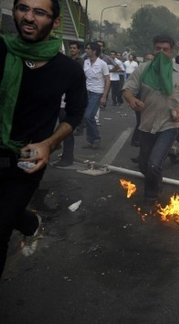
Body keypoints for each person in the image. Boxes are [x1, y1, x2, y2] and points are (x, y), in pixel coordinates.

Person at [0, 0, 87, 276]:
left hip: (29, 154)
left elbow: (74, 114)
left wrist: (48, 144)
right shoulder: (2, 49)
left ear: (55, 22)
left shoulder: (68, 70)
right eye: (23, 8)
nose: (28, 17)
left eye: (39, 12)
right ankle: (28, 223)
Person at [122, 35, 179, 202]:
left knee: (154, 163)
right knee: (144, 165)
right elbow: (127, 89)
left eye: (165, 49)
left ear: (171, 52)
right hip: (146, 124)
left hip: (169, 125)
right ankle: (156, 179)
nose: (161, 52)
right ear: (153, 49)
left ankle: (152, 193)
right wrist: (131, 99)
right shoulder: (143, 69)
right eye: (158, 49)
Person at [54, 41, 86, 167]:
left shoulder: (77, 63)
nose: (72, 50)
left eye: (74, 48)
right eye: (70, 48)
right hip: (59, 100)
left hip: (67, 101)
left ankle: (67, 157)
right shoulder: (64, 61)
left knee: (66, 130)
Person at [82, 41, 110, 149]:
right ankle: (91, 140)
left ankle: (96, 138)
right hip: (86, 92)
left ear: (94, 51)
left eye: (88, 49)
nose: (86, 50)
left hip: (97, 93)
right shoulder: (86, 62)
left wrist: (104, 96)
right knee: (88, 117)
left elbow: (107, 80)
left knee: (88, 116)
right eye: (86, 48)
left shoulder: (102, 64)